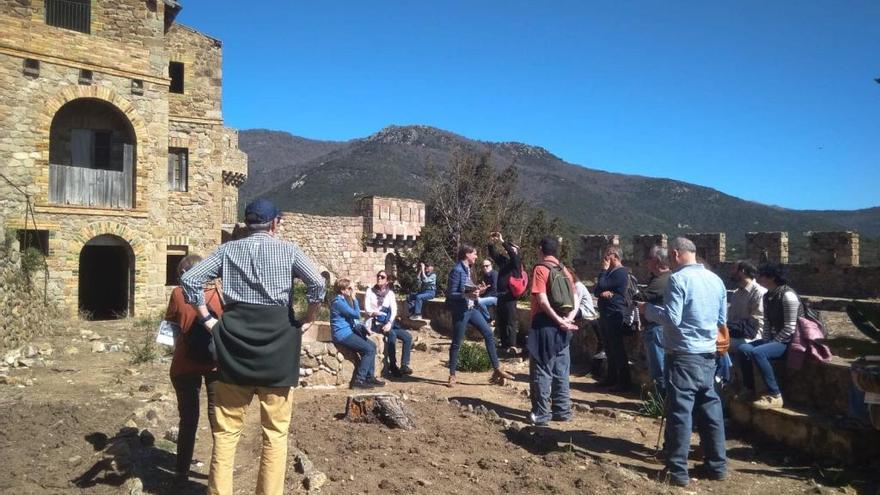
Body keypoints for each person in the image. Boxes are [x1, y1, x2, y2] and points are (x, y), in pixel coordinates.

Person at [181, 198, 326, 495]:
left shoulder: (227, 250)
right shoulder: (289, 251)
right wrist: (308, 318)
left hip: (234, 346)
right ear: (274, 223)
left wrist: (208, 320)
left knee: (225, 433)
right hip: (279, 347)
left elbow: (190, 279)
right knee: (275, 433)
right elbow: (318, 284)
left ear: (247, 224)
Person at [640, 237, 728, 488]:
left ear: (677, 254)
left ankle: (677, 470)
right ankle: (717, 465)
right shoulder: (716, 280)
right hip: (709, 353)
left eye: (671, 257)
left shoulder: (679, 279)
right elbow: (722, 318)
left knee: (680, 410)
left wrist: (647, 310)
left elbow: (672, 318)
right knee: (710, 408)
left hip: (683, 353)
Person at [164, 254, 224, 482]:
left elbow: (169, 328)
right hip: (215, 363)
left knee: (188, 421)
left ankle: (180, 474)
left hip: (183, 363)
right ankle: (219, 474)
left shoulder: (178, 293)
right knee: (217, 420)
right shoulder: (218, 293)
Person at [446, 243, 515, 387]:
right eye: (475, 254)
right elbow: (451, 294)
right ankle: (452, 375)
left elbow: (467, 289)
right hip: (461, 312)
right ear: (467, 254)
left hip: (472, 309)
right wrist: (468, 294)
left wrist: (478, 290)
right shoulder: (457, 270)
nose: (477, 256)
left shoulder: (468, 269)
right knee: (457, 343)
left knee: (488, 334)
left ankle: (496, 369)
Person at [527, 236, 579, 426]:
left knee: (541, 371)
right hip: (563, 328)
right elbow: (576, 298)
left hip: (544, 326)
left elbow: (541, 299)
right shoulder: (564, 270)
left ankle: (541, 414)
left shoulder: (541, 269)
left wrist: (557, 319)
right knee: (561, 371)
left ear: (541, 249)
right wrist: (568, 319)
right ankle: (563, 411)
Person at [737, 262, 802, 409]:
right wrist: (766, 340)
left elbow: (790, 328)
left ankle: (775, 394)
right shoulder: (768, 296)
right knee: (743, 349)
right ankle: (750, 388)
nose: (758, 278)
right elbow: (766, 323)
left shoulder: (788, 296)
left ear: (771, 278)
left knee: (758, 352)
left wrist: (771, 343)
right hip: (775, 340)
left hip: (789, 342)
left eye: (762, 275)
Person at [330, 278, 384, 389]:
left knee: (372, 346)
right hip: (342, 335)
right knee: (368, 350)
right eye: (350, 288)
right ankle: (359, 381)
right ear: (342, 290)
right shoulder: (338, 302)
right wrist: (354, 299)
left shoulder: (344, 300)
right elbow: (356, 314)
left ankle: (370, 377)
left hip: (349, 332)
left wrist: (364, 328)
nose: (352, 290)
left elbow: (354, 320)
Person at [594, 245, 632, 391]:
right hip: (605, 313)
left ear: (614, 256)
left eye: (607, 256)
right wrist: (602, 290)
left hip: (614, 314)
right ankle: (611, 377)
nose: (604, 259)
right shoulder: (610, 273)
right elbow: (597, 289)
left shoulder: (621, 273)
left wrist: (603, 271)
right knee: (609, 348)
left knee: (617, 348)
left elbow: (602, 284)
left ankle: (624, 382)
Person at [365, 270, 413, 378]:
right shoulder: (370, 291)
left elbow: (394, 309)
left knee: (407, 337)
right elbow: (367, 309)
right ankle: (392, 364)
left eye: (382, 277)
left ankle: (404, 365)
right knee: (392, 335)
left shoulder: (390, 293)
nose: (379, 278)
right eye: (378, 276)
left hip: (388, 322)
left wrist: (390, 322)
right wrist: (376, 313)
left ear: (386, 281)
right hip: (376, 322)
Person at [640, 245, 671, 393]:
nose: (647, 262)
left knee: (659, 368)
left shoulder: (662, 280)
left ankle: (662, 404)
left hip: (657, 328)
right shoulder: (659, 278)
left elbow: (641, 297)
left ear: (658, 261)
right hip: (657, 328)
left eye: (650, 258)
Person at [487, 232, 523, 353]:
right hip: (501, 295)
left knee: (510, 321)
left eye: (513, 248)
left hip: (510, 296)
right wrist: (491, 242)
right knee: (502, 320)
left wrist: (502, 241)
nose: (510, 249)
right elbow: (494, 255)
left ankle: (512, 345)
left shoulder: (517, 263)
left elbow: (513, 255)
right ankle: (504, 344)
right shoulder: (505, 262)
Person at [727, 260, 767, 352]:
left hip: (752, 337)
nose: (731, 272)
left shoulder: (759, 293)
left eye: (734, 269)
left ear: (743, 271)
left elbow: (756, 323)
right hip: (735, 333)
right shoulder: (736, 293)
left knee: (717, 345)